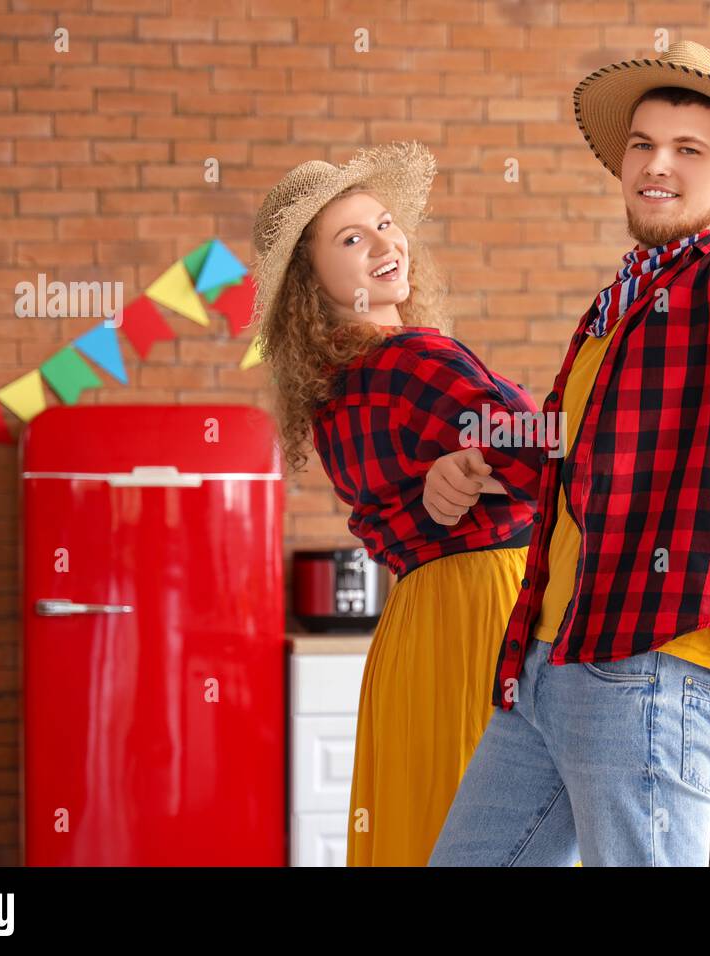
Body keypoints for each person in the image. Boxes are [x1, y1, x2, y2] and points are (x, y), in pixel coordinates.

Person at [425, 42, 710, 866]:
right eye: (642, 144)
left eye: (689, 150)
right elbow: (578, 451)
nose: (656, 164)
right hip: (550, 655)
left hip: (651, 662)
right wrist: (479, 458)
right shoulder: (620, 302)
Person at [252, 141, 543, 866]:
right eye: (353, 238)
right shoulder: (415, 357)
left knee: (425, 830)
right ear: (310, 284)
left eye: (385, 222)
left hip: (414, 629)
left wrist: (473, 470)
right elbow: (549, 452)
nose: (386, 241)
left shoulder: (333, 399)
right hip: (491, 608)